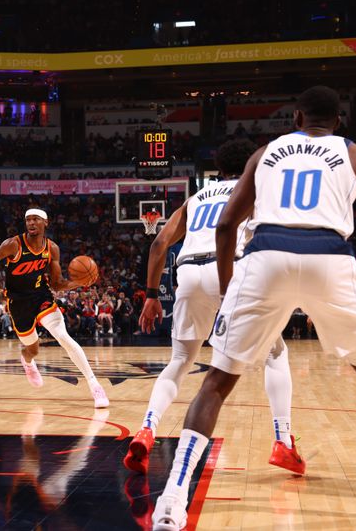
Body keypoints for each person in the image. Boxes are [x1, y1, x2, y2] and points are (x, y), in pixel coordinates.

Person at [152, 86, 356, 529]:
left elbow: (227, 224)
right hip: (330, 255)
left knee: (216, 381)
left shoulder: (265, 154)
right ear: (338, 123)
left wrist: (233, 288)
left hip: (267, 256)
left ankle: (173, 500)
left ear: (296, 118)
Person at [125, 139, 301, 478]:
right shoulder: (255, 186)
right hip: (229, 269)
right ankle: (283, 442)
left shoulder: (197, 198)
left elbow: (160, 243)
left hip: (188, 273)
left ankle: (147, 429)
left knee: (179, 361)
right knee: (275, 354)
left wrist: (150, 295)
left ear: (218, 169)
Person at [0, 208, 109, 408]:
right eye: (28, 220)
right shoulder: (13, 245)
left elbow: (58, 283)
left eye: (36, 219)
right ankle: (27, 361)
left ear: (46, 223)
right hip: (18, 302)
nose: (31, 223)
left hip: (41, 296)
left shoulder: (52, 249)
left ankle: (94, 385)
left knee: (63, 336)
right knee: (32, 349)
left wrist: (81, 283)